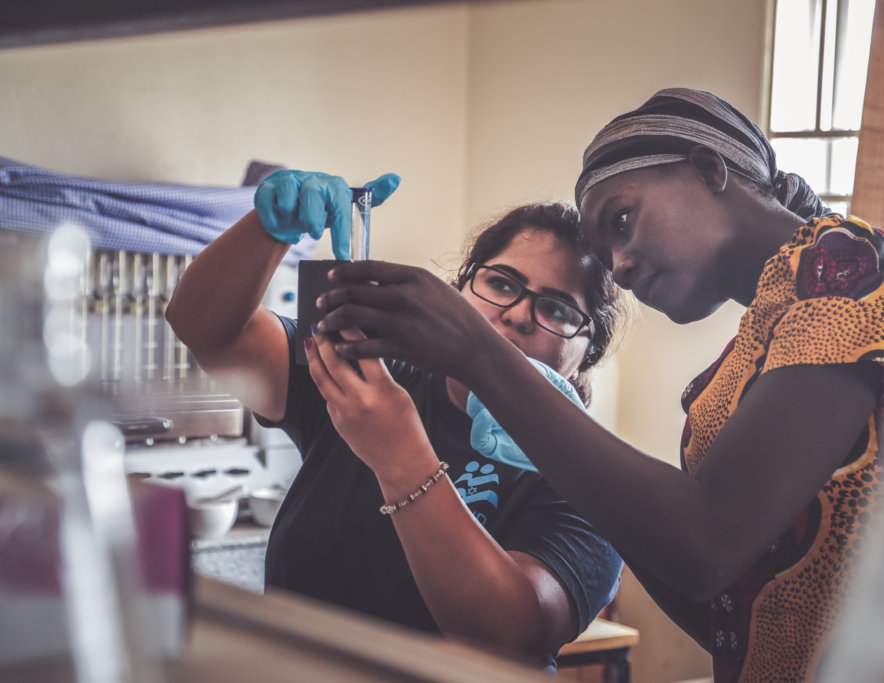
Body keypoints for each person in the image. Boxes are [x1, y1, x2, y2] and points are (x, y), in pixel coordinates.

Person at [316, 89, 884, 682]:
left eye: (623, 220)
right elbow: (716, 598)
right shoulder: (752, 349)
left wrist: (482, 355)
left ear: (708, 169)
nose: (620, 266)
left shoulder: (843, 265)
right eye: (607, 251)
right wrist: (559, 452)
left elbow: (707, 543)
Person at [164, 176, 629, 671]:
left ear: (586, 355)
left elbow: (509, 634)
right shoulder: (368, 374)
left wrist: (399, 451)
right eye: (500, 283)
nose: (515, 315)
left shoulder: (595, 478)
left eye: (556, 309)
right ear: (458, 292)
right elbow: (205, 330)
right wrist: (268, 231)